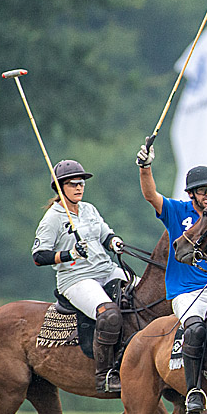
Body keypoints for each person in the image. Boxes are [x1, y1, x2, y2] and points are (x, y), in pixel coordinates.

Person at [137, 141, 207, 414]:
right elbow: (151, 195)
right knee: (196, 329)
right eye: (203, 191)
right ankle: (193, 391)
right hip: (186, 291)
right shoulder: (177, 212)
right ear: (191, 194)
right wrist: (145, 168)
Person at [32, 160, 126, 392]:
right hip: (76, 279)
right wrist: (68, 254)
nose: (79, 188)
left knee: (143, 296)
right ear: (60, 187)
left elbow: (105, 233)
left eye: (81, 183)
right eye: (73, 184)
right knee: (109, 314)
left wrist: (114, 242)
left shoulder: (89, 209)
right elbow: (38, 256)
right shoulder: (53, 218)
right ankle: (104, 374)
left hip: (105, 269)